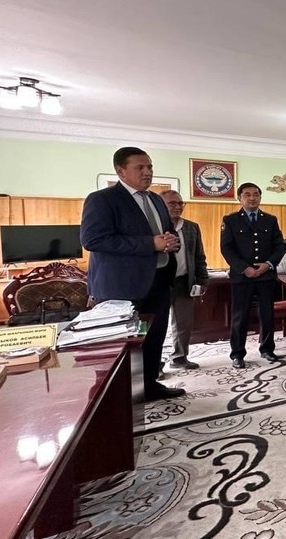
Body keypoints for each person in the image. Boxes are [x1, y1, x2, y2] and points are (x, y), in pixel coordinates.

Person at [80, 146, 185, 401]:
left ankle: (149, 385)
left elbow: (166, 232)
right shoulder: (102, 199)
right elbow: (93, 239)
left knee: (155, 337)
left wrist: (171, 241)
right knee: (122, 342)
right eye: (140, 168)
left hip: (158, 281)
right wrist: (151, 243)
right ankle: (119, 396)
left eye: (150, 167)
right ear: (121, 171)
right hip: (121, 286)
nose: (147, 172)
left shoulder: (156, 200)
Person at [220, 182, 286, 369]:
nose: (252, 198)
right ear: (239, 198)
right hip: (242, 277)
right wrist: (244, 268)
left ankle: (267, 349)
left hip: (266, 276)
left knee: (267, 314)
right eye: (247, 195)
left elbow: (280, 246)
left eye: (256, 194)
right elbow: (226, 248)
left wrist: (268, 264)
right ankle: (237, 354)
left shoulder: (270, 220)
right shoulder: (230, 220)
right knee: (239, 316)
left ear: (260, 197)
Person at [161, 190, 209, 371]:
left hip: (183, 281)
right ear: (161, 205)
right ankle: (153, 364)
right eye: (172, 203)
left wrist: (202, 280)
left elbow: (199, 256)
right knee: (156, 325)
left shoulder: (191, 227)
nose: (177, 207)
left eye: (180, 203)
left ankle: (180, 357)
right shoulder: (154, 226)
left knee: (184, 323)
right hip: (159, 283)